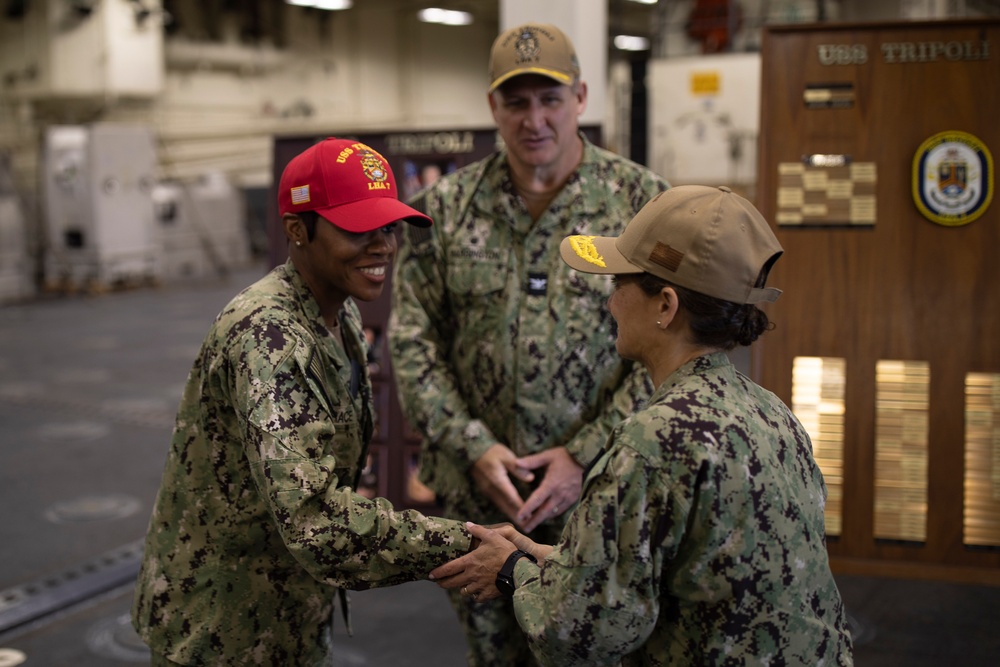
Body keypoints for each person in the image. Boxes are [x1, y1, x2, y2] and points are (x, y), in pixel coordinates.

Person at [429, 185, 855, 666]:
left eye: (620, 284)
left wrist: (510, 571)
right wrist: (551, 559)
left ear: (665, 306)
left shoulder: (654, 442)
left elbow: (578, 633)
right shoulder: (773, 414)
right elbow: (695, 572)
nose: (609, 303)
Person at [388, 22, 670, 665]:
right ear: (493, 107)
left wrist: (581, 455)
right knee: (495, 656)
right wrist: (473, 445)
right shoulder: (447, 211)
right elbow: (412, 342)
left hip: (602, 495)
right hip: (481, 501)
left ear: (581, 98)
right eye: (516, 101)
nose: (534, 118)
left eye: (550, 98)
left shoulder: (642, 206)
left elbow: (670, 348)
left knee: (596, 652)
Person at [132, 138, 474, 666]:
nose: (382, 245)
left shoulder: (338, 311)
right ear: (297, 230)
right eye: (358, 229)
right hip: (224, 629)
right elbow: (316, 521)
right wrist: (470, 547)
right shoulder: (269, 338)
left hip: (286, 610)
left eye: (388, 226)